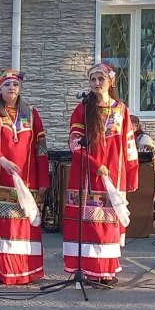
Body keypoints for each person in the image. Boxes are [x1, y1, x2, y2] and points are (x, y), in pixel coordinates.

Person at [0, 69, 50, 285]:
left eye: (15, 85)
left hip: (27, 179)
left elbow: (41, 149)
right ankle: (2, 270)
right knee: (3, 225)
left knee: (24, 224)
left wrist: (43, 179)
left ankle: (26, 270)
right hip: (0, 177)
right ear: (0, 88)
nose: (12, 88)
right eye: (7, 85)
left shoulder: (32, 114)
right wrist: (1, 159)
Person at [64, 63, 139, 285]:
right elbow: (75, 142)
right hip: (88, 173)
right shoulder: (83, 109)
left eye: (101, 79)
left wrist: (132, 173)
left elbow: (129, 144)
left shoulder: (121, 109)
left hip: (114, 174)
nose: (97, 83)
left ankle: (106, 271)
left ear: (111, 82)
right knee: (90, 224)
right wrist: (95, 163)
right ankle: (87, 270)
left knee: (108, 225)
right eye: (93, 79)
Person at [131, 115, 155, 197]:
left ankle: (142, 207)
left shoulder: (144, 139)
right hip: (145, 173)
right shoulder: (132, 139)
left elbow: (144, 160)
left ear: (136, 127)